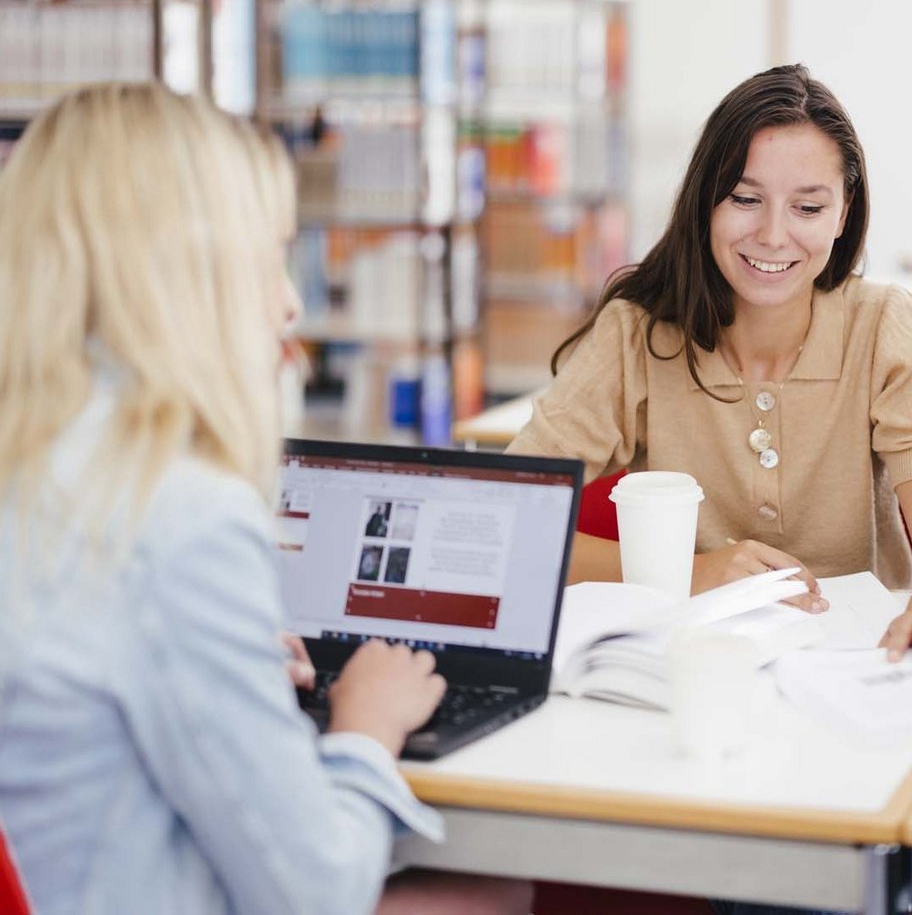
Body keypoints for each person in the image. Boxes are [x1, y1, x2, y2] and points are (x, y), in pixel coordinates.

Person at [0, 85, 529, 914]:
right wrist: (365, 728)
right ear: (181, 272)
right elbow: (313, 890)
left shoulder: (35, 464)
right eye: (268, 259)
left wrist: (240, 668)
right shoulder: (176, 513)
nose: (290, 303)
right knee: (490, 892)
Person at [509, 63, 912, 661]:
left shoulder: (886, 326)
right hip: (688, 663)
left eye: (808, 208)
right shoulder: (636, 335)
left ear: (844, 215)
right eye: (744, 199)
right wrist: (693, 572)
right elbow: (508, 517)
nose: (772, 235)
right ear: (705, 202)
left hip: (859, 662)